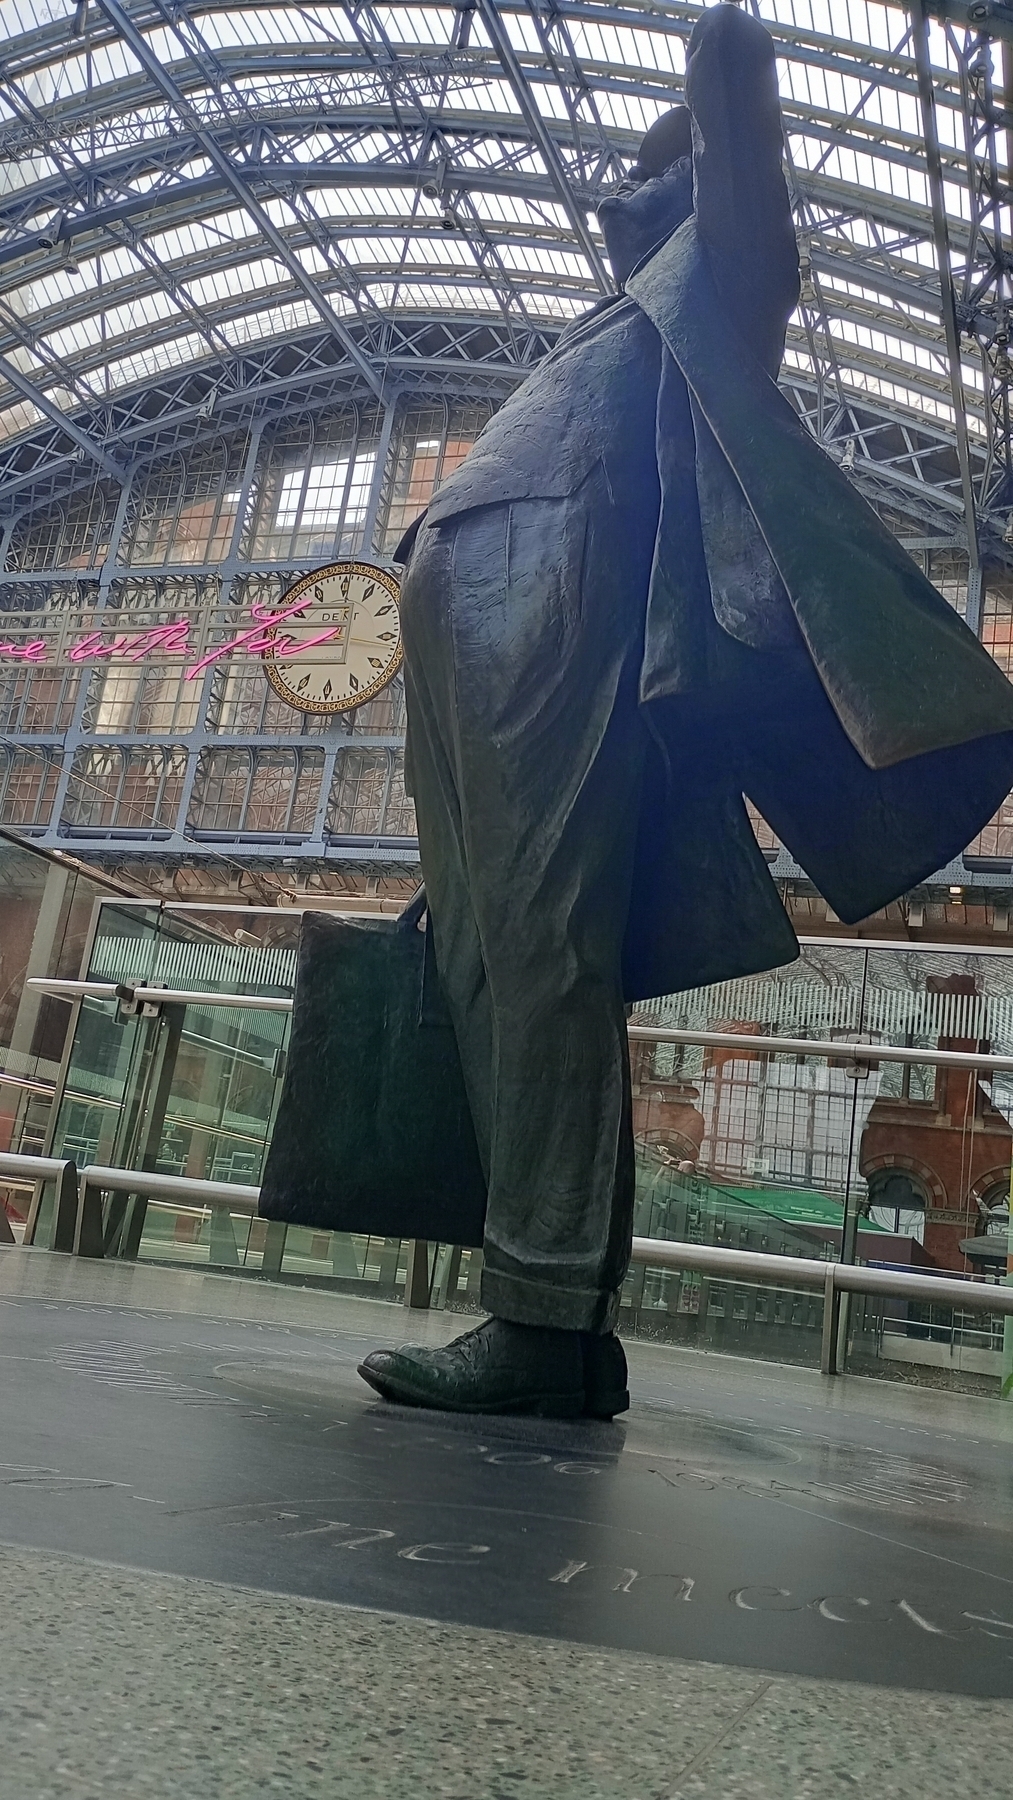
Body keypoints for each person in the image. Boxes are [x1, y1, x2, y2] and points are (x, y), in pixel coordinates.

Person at [357, 1, 1013, 1418]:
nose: (626, 190)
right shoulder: (618, 327)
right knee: (484, 948)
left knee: (538, 948)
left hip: (552, 617)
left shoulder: (719, 282)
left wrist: (716, 69)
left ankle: (539, 1321)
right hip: (479, 622)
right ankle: (552, 1325)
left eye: (668, 171)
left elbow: (734, 90)